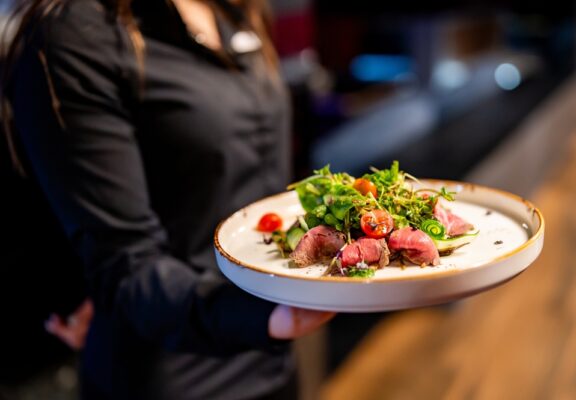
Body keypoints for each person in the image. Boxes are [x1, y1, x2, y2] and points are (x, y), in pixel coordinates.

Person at [2, 0, 334, 398]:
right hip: (176, 375)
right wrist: (273, 314)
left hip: (272, 363)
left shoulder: (232, 8)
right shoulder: (74, 32)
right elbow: (123, 258)